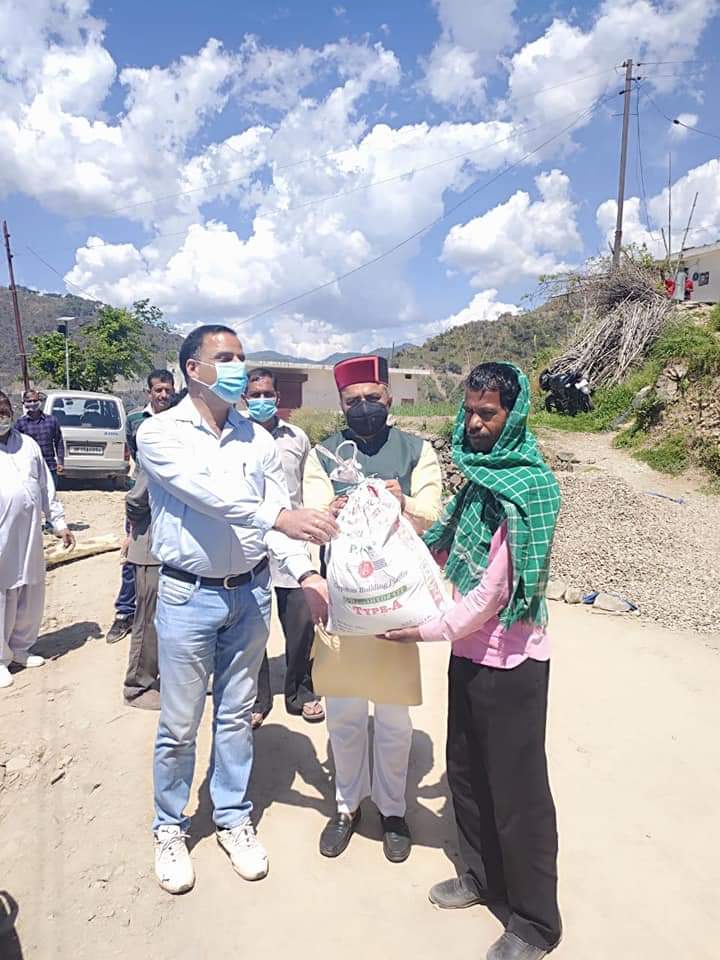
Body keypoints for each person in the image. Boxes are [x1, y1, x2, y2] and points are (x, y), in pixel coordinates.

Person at [137, 324, 337, 895]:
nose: (238, 367)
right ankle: (170, 828)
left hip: (248, 593)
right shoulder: (160, 433)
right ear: (191, 370)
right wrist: (280, 519)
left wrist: (303, 571)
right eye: (224, 358)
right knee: (179, 723)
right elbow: (212, 494)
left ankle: (231, 817)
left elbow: (277, 506)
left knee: (236, 713)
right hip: (187, 594)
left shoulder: (258, 437)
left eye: (242, 358)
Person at [385, 363, 562, 960]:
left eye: (489, 413)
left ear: (515, 416)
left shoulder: (531, 488)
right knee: (464, 772)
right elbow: (437, 545)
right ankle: (482, 878)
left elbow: (491, 593)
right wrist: (395, 510)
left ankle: (536, 921)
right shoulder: (479, 485)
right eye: (471, 412)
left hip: (511, 664)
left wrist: (424, 630)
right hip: (468, 657)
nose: (477, 424)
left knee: (517, 792)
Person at [303, 355, 442, 863]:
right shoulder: (322, 455)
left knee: (393, 718)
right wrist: (332, 511)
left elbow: (432, 514)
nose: (363, 408)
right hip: (342, 604)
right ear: (340, 404)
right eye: (352, 401)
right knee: (342, 714)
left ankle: (392, 809)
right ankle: (346, 805)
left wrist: (401, 503)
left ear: (389, 398)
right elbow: (312, 515)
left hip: (395, 607)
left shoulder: (416, 451)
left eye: (372, 399)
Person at [244, 368, 325, 727]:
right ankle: (258, 699)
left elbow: (308, 489)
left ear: (278, 397)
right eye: (254, 394)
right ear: (244, 398)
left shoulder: (298, 438)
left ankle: (300, 691)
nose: (261, 399)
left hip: (291, 547)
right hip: (248, 546)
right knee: (252, 627)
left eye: (267, 394)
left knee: (301, 624)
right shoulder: (235, 437)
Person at [0, 392, 75, 689]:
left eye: (4, 409)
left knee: (30, 590)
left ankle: (19, 648)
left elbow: (46, 487)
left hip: (30, 535)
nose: (1, 415)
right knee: (2, 593)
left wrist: (59, 523)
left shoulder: (27, 445)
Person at [106, 370, 175, 645]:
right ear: (149, 392)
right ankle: (125, 613)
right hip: (141, 494)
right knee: (133, 555)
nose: (163, 395)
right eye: (158, 390)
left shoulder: (179, 421)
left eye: (168, 390)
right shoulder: (136, 419)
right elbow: (134, 454)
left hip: (170, 497)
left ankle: (163, 613)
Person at [122, 467, 161, 710]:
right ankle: (137, 687)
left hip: (176, 552)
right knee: (148, 621)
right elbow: (136, 501)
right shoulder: (161, 446)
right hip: (150, 548)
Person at [15, 388, 65, 487]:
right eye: (29, 401)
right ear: (24, 403)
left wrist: (61, 462)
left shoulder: (51, 421)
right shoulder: (20, 423)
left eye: (35, 400)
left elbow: (59, 441)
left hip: (50, 466)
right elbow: (16, 445)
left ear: (40, 401)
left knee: (51, 497)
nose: (33, 403)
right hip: (29, 467)